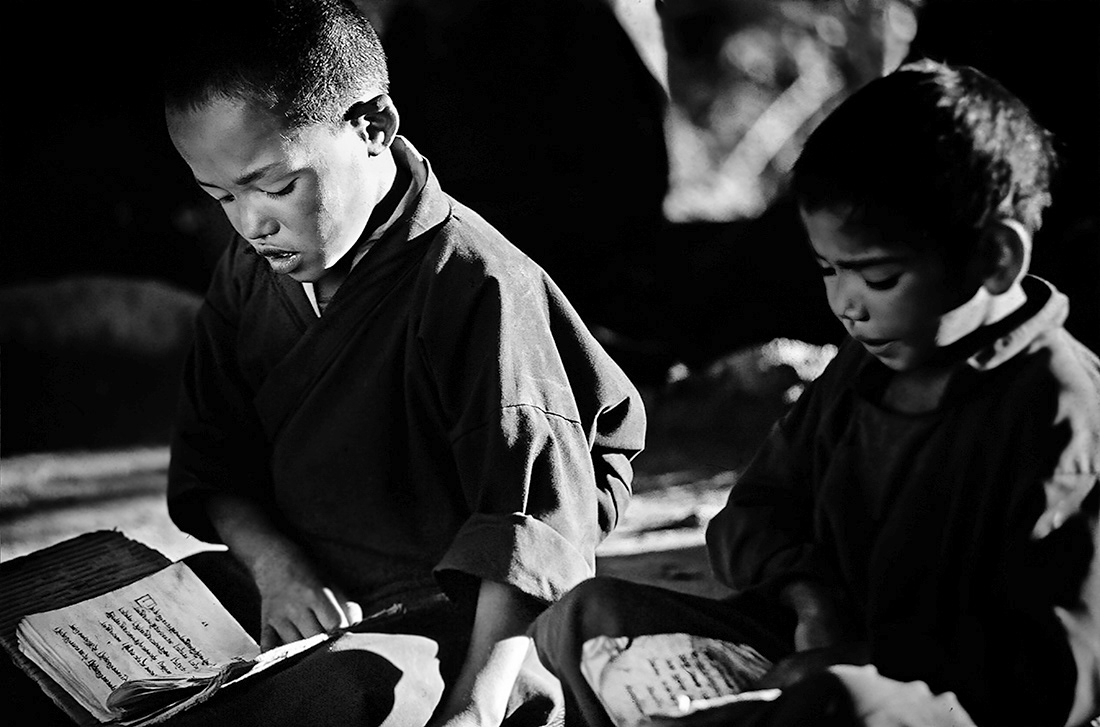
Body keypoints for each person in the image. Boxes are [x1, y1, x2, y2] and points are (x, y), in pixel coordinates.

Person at [529, 60, 1100, 727]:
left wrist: (858, 670)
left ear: (996, 257)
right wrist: (809, 599)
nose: (846, 305)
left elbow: (1058, 679)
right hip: (806, 656)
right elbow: (754, 515)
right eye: (829, 271)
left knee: (837, 707)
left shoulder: (1059, 410)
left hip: (934, 705)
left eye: (878, 277)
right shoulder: (865, 367)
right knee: (586, 617)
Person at [159, 1, 646, 725]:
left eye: (275, 184)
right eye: (219, 195)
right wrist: (275, 566)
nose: (251, 222)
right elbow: (215, 459)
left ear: (374, 128)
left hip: (462, 618)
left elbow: (533, 527)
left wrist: (476, 706)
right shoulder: (250, 266)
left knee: (305, 708)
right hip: (296, 586)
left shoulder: (477, 287)